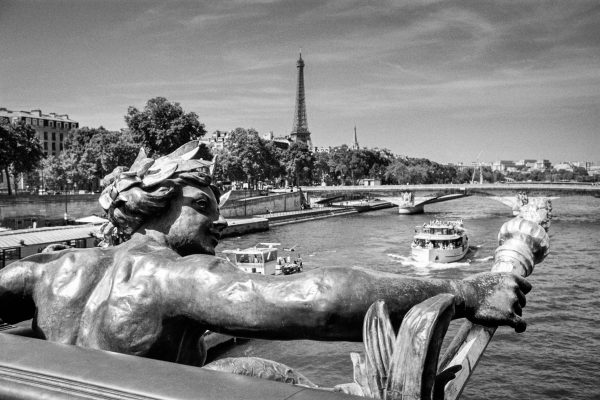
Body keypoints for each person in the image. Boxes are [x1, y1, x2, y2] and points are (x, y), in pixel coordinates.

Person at [0, 142, 530, 367]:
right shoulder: (171, 274)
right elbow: (319, 300)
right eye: (204, 204)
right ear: (156, 205)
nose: (220, 219)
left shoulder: (52, 267)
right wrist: (463, 289)